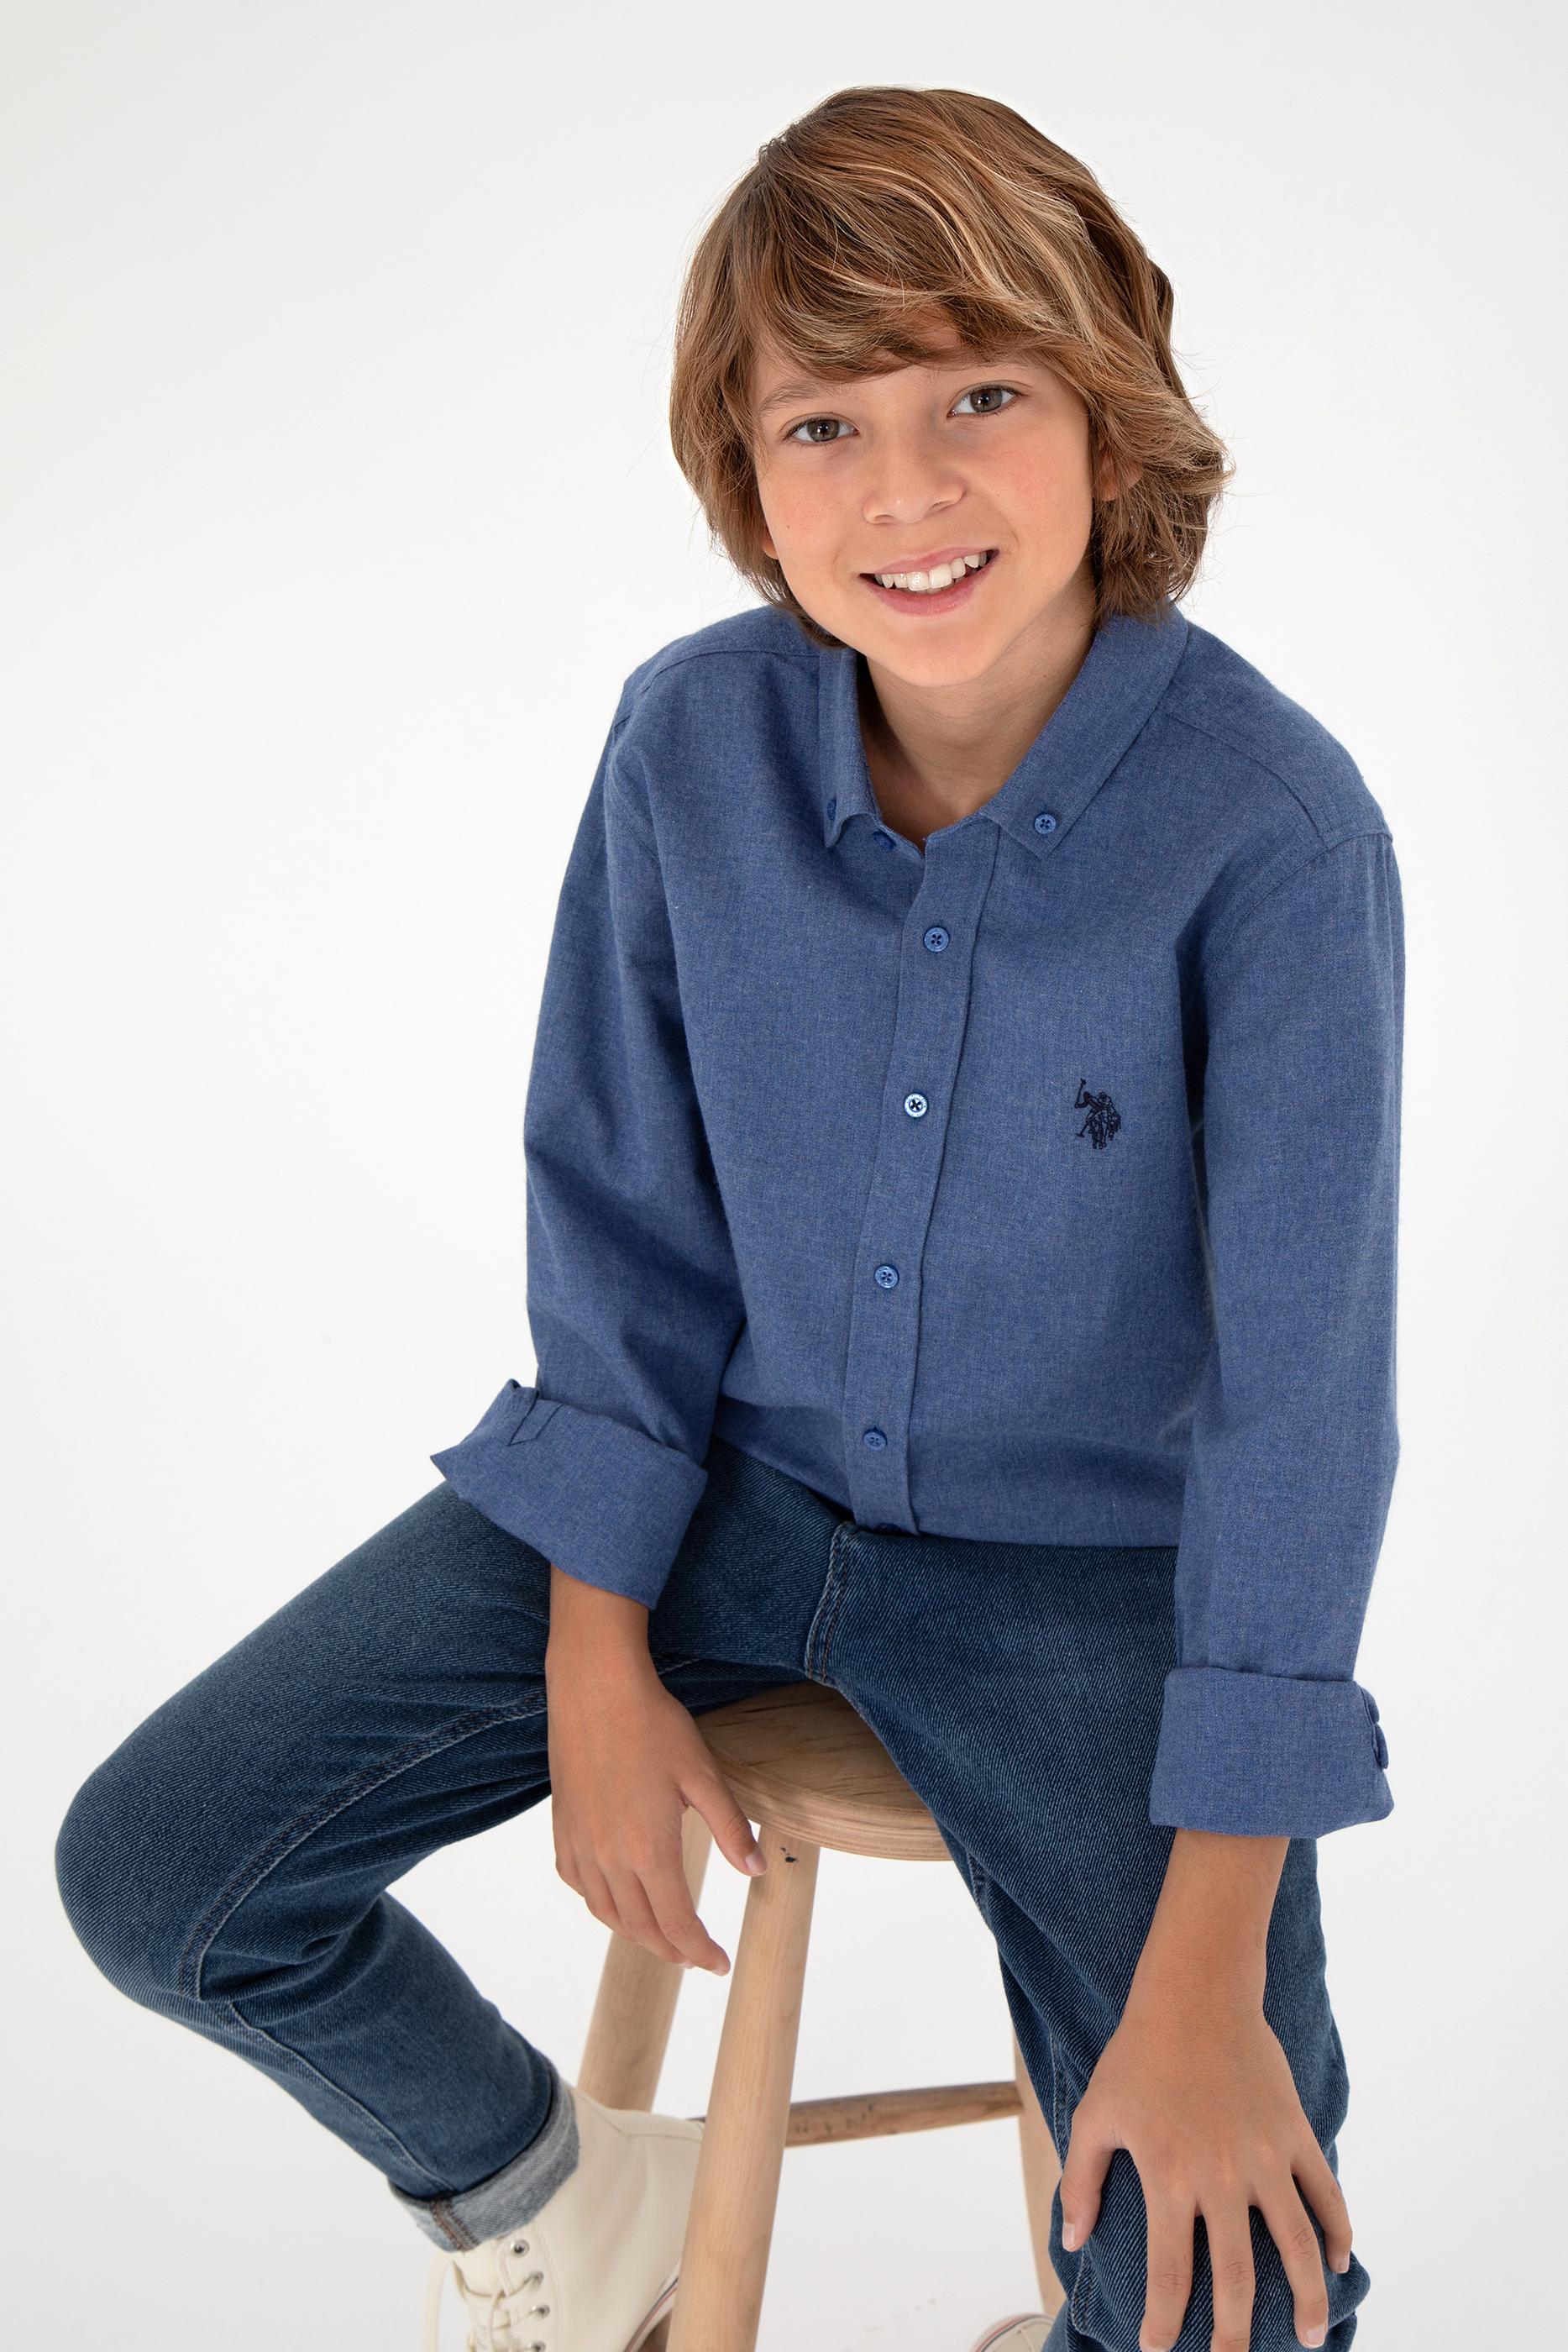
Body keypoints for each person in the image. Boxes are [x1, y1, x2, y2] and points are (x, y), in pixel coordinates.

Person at [53, 82, 1403, 2352]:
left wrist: (1203, 1984)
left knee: (1230, 2289)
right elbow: (624, 1220)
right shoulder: (688, 745)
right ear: (745, 475)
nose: (906, 490)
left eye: (979, 396)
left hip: (1083, 1587)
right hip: (710, 1502)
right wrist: (597, 1645)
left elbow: (1302, 1409)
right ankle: (561, 2201)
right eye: (821, 426)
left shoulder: (1272, 836)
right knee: (166, 1870)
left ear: (1108, 407)